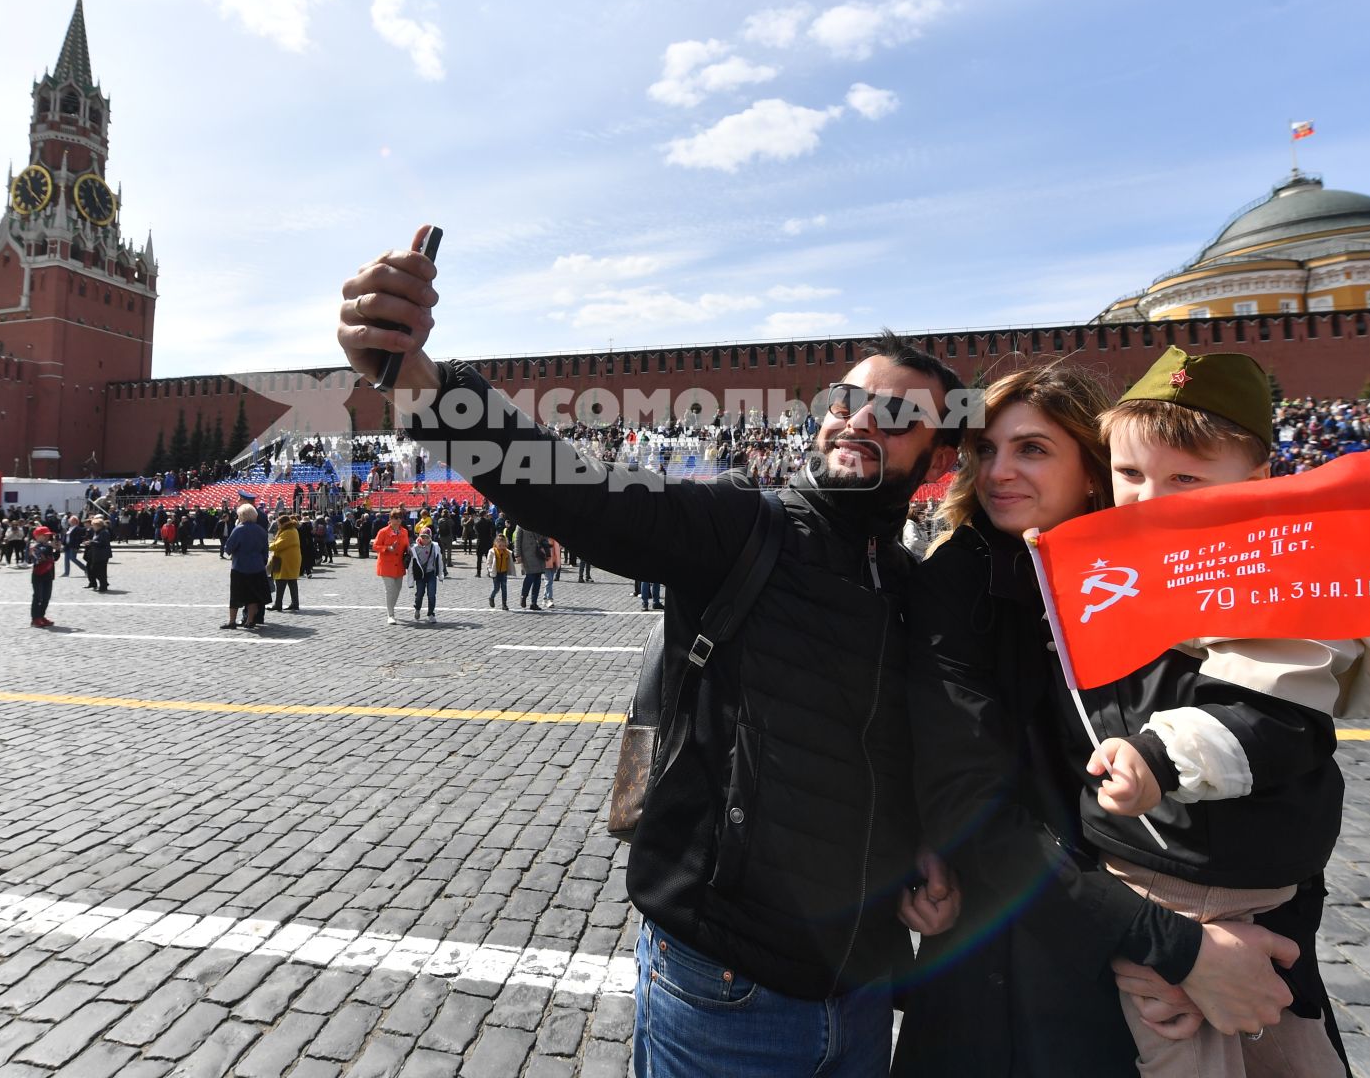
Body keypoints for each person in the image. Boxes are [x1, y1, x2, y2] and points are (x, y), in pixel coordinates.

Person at [339, 240, 978, 1074]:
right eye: (845, 397)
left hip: (861, 996)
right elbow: (580, 493)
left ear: (936, 457)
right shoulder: (743, 527)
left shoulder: (908, 586)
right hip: (726, 992)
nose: (858, 418)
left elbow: (873, 757)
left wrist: (917, 856)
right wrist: (419, 386)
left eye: (894, 414)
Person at [900, 363, 1310, 1074]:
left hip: (1156, 949)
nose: (1000, 471)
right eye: (987, 451)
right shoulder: (957, 588)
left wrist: (1247, 940)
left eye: (1032, 449)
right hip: (1020, 958)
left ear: (1093, 473)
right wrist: (1177, 951)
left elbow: (1284, 774)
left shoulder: (1179, 577)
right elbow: (973, 806)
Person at [1079, 349, 1370, 1076]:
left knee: (1193, 1040)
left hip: (1198, 861)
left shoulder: (1276, 574)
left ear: (1256, 481)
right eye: (1128, 474)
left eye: (1183, 478)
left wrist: (1158, 759)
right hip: (1183, 855)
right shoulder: (1127, 559)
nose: (1147, 496)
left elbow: (1271, 707)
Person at [221, 504, 270, 630]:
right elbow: (265, 552)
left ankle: (232, 621)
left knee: (236, 595)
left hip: (240, 567)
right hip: (257, 567)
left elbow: (228, 548)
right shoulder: (262, 531)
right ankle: (250, 621)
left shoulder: (239, 529)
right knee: (252, 596)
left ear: (241, 515)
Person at [373, 509, 411, 624]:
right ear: (390, 519)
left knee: (397, 589)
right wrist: (388, 548)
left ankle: (391, 608)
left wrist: (409, 549)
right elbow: (375, 546)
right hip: (386, 565)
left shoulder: (404, 531)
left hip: (399, 565)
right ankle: (390, 614)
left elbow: (406, 544)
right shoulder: (383, 532)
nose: (398, 520)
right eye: (395, 518)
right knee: (390, 589)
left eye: (400, 518)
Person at [269, 515, 302, 613]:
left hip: (285, 560)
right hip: (290, 559)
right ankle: (295, 603)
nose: (278, 526)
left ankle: (278, 604)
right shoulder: (293, 530)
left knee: (280, 581)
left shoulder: (288, 532)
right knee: (292, 582)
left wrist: (269, 545)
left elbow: (278, 545)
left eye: (279, 524)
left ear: (283, 523)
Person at [408, 527, 442, 622]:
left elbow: (439, 560)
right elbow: (411, 564)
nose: (425, 539)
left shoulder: (435, 546)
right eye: (423, 537)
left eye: (427, 537)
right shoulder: (414, 548)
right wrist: (410, 581)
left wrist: (440, 574)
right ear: (419, 537)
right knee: (419, 594)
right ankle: (417, 608)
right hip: (420, 574)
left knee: (431, 594)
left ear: (430, 537)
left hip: (431, 573)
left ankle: (431, 613)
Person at [516, 525, 549, 610]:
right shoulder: (520, 523)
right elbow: (517, 539)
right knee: (530, 575)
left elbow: (545, 538)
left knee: (538, 578)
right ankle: (523, 596)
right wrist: (518, 554)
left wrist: (547, 552)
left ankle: (534, 603)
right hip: (527, 553)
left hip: (539, 553)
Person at [30, 526, 58, 627]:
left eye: (48, 536)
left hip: (48, 574)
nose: (47, 537)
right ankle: (35, 619)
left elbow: (54, 557)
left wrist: (57, 550)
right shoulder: (34, 546)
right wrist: (51, 547)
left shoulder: (47, 546)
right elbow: (40, 555)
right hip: (38, 575)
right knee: (38, 597)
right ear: (37, 536)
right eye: (45, 535)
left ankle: (41, 616)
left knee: (46, 597)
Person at [83, 515, 113, 593]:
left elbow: (102, 543)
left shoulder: (104, 532)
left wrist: (91, 542)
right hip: (97, 555)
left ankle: (103, 585)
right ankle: (103, 584)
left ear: (98, 526)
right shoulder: (97, 532)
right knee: (96, 570)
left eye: (94, 525)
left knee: (99, 571)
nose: (93, 527)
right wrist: (90, 543)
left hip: (102, 555)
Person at [487, 534, 512, 610]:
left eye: (503, 545)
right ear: (496, 544)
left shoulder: (507, 552)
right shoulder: (492, 551)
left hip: (504, 572)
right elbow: (489, 562)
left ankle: (504, 604)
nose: (502, 547)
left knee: (504, 588)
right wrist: (490, 570)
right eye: (500, 545)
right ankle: (491, 597)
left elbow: (509, 562)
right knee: (496, 588)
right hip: (496, 573)